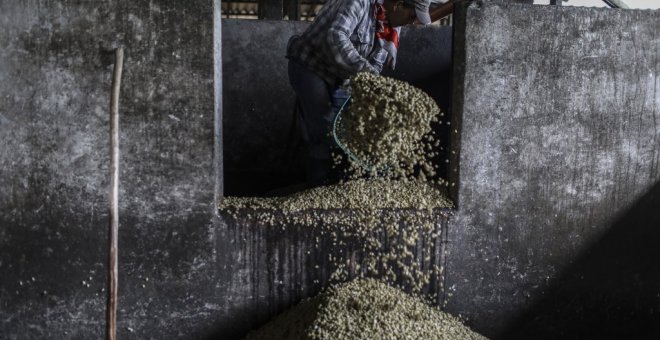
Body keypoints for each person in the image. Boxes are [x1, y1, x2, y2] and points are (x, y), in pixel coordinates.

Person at [287, 0, 432, 186]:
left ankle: (343, 184)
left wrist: (373, 90)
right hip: (311, 64)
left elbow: (377, 64)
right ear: (398, 4)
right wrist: (368, 74)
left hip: (342, 76)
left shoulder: (391, 27)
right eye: (412, 16)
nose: (412, 22)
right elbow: (336, 36)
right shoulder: (358, 3)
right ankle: (317, 184)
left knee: (348, 126)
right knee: (322, 126)